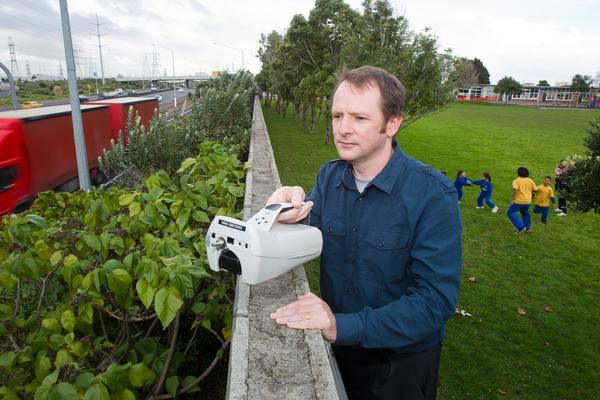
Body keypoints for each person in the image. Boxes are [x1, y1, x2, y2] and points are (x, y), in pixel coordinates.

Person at [268, 66, 462, 400]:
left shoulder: (432, 195)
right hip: (342, 351)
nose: (343, 129)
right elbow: (309, 235)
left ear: (393, 123)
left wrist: (340, 326)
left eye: (359, 118)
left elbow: (434, 303)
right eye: (337, 115)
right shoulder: (329, 177)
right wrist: (279, 213)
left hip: (400, 366)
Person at [507, 167, 538, 233]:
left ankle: (521, 227)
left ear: (518, 173)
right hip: (528, 201)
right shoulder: (530, 180)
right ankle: (528, 228)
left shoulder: (516, 180)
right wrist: (531, 196)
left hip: (519, 201)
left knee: (510, 212)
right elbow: (535, 190)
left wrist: (512, 200)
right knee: (525, 212)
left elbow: (515, 190)